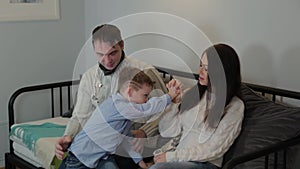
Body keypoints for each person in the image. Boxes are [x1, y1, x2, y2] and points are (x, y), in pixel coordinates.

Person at [55, 24, 170, 169]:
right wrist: (68, 135)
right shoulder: (89, 77)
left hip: (133, 143)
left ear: (121, 45)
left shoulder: (144, 72)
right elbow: (80, 116)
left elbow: (165, 110)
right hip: (101, 146)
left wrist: (144, 132)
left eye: (112, 53)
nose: (107, 60)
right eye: (100, 54)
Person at [59, 67, 181, 169]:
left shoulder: (124, 117)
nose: (147, 100)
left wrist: (140, 162)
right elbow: (146, 109)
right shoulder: (117, 105)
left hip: (101, 157)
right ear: (130, 92)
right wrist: (169, 96)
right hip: (80, 156)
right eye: (145, 95)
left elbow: (128, 141)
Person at [149, 43, 245, 169]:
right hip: (179, 159)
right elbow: (167, 131)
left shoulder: (235, 106)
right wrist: (174, 103)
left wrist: (172, 157)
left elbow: (214, 148)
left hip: (205, 163)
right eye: (200, 65)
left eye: (206, 68)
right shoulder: (192, 94)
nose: (200, 72)